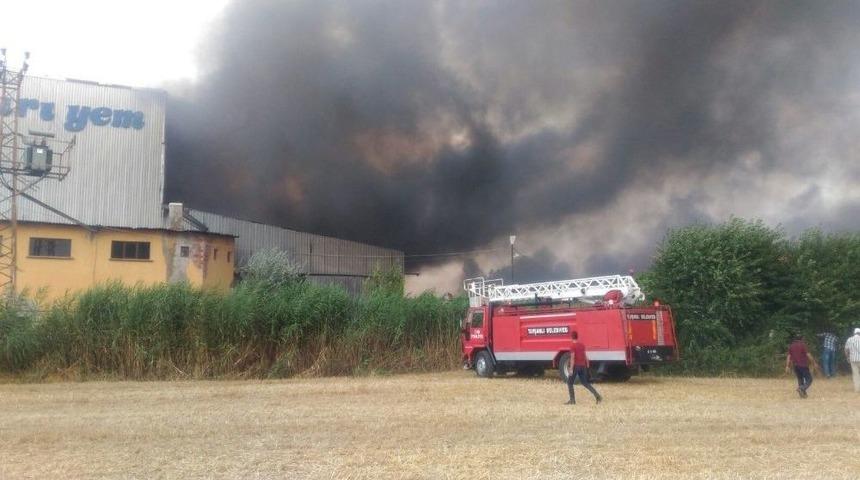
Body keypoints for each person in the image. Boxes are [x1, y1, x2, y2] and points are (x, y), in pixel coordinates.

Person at [565, 331, 602, 405]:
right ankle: (597, 396)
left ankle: (572, 400)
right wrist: (587, 363)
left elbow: (572, 358)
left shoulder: (572, 346)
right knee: (585, 382)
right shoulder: (582, 345)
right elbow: (585, 355)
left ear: (571, 337)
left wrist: (571, 369)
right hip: (583, 366)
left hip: (576, 366)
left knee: (569, 382)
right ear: (577, 337)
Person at [785, 334, 819, 398]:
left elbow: (788, 356)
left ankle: (803, 394)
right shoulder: (803, 345)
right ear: (802, 338)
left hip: (795, 365)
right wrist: (814, 363)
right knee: (809, 379)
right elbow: (808, 355)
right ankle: (802, 388)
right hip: (803, 365)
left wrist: (787, 366)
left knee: (800, 379)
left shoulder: (791, 346)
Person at [844, 328, 860, 393]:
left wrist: (847, 357)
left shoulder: (849, 339)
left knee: (856, 374)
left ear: (854, 333)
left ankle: (857, 389)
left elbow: (846, 350)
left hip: (853, 359)